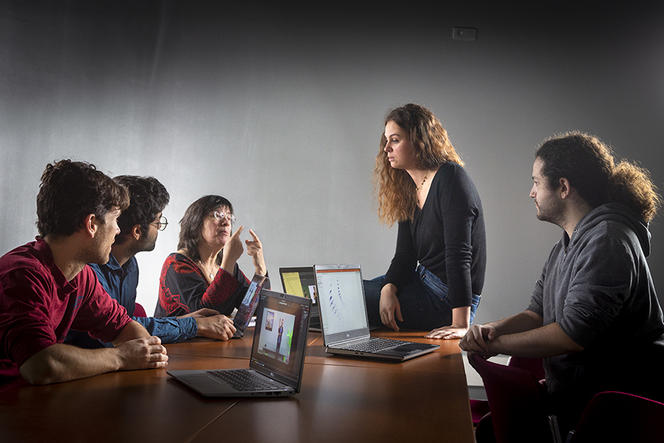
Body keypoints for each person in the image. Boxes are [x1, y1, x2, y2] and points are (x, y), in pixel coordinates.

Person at [460, 131, 664, 434]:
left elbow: (572, 335)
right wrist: (491, 330)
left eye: (536, 182)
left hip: (616, 411)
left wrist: (494, 345)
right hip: (575, 400)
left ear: (563, 187)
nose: (531, 193)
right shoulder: (566, 245)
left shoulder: (608, 240)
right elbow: (536, 314)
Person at [0, 160, 168, 385]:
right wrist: (121, 357)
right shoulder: (22, 275)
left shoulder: (81, 275)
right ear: (91, 224)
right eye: (115, 220)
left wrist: (148, 350)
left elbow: (123, 327)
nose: (118, 230)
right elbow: (42, 365)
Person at [65, 176, 237, 349]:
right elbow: (115, 332)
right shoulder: (89, 269)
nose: (226, 222)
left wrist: (181, 321)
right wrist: (194, 325)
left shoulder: (130, 265)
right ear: (137, 231)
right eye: (158, 222)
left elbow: (125, 322)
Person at [363, 103, 486, 339]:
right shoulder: (409, 187)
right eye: (386, 140)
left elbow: (459, 253)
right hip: (420, 280)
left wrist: (460, 323)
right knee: (347, 295)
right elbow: (405, 256)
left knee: (351, 304)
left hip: (447, 299)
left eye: (395, 140)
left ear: (420, 141)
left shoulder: (450, 178)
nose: (386, 148)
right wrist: (389, 287)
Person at [155, 195, 269, 317]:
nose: (226, 222)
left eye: (229, 217)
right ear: (196, 223)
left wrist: (260, 268)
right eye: (217, 215)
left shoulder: (228, 267)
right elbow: (206, 314)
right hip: (174, 337)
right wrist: (228, 261)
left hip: (215, 337)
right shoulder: (176, 264)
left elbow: (255, 309)